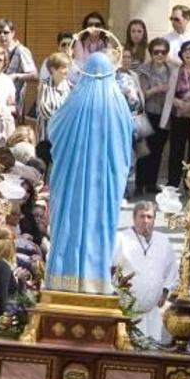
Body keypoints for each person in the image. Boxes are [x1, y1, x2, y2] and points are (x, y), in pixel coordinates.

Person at [45, 52, 134, 294]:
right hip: (105, 184)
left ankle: (64, 279)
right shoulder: (118, 103)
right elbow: (127, 141)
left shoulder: (75, 100)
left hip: (72, 181)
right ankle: (96, 283)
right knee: (99, 226)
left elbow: (53, 130)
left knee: (70, 224)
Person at [112, 201, 178, 341]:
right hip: (128, 314)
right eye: (142, 216)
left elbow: (171, 268)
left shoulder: (163, 241)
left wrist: (166, 291)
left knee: (152, 353)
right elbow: (109, 269)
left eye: (149, 217)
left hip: (152, 314)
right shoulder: (121, 239)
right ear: (134, 218)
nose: (145, 221)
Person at [160, 40, 190, 187]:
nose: (188, 53)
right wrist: (177, 102)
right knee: (176, 150)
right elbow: (169, 92)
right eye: (185, 50)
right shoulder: (176, 70)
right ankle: (173, 183)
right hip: (178, 115)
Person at [136, 38, 173, 196]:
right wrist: (158, 89)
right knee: (145, 150)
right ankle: (139, 184)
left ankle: (151, 183)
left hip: (165, 114)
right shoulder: (143, 70)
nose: (159, 55)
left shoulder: (172, 71)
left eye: (163, 52)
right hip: (147, 113)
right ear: (151, 53)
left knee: (158, 150)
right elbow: (141, 94)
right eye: (156, 52)